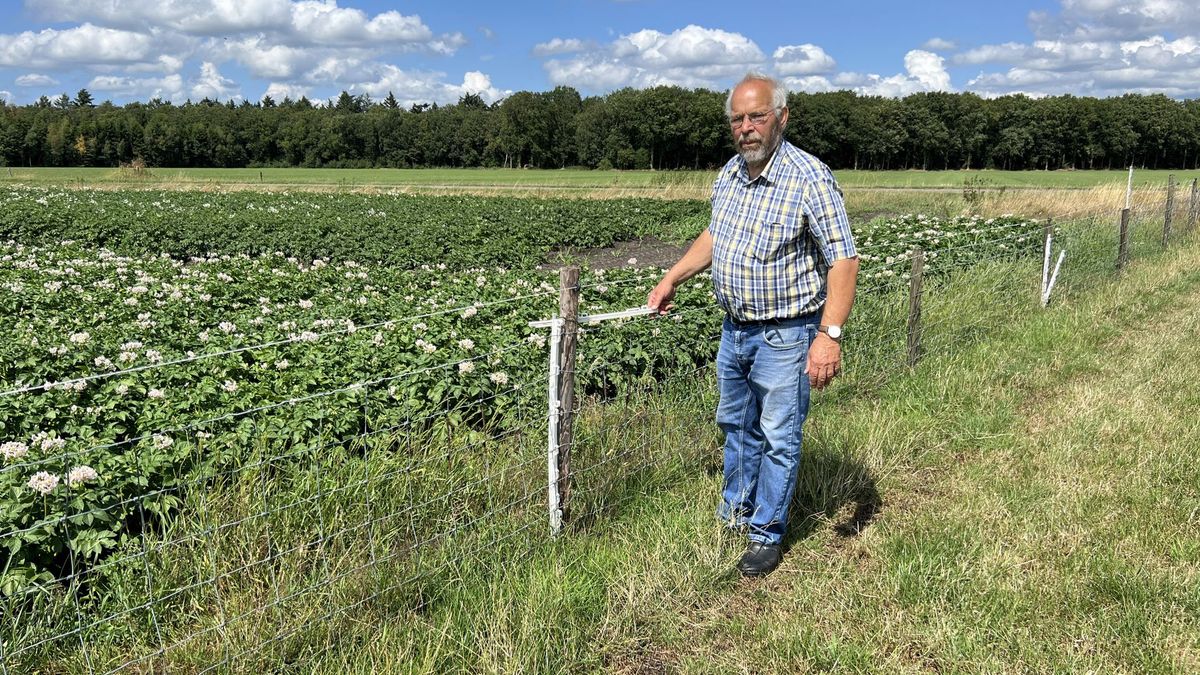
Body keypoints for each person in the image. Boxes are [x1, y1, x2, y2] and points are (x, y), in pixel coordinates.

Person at [647, 72, 859, 577]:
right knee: (736, 426)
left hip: (788, 334)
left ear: (781, 117)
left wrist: (828, 337)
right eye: (737, 119)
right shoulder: (730, 174)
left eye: (756, 116)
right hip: (735, 328)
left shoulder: (809, 176)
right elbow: (715, 235)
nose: (746, 127)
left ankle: (767, 533)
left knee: (778, 435)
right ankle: (737, 510)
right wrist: (673, 276)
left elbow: (844, 261)